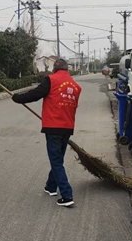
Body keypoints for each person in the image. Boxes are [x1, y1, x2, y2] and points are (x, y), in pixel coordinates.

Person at [11, 59, 82, 207]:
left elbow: (35, 94)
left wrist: (17, 98)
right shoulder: (75, 86)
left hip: (53, 127)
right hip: (68, 127)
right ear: (67, 69)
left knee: (56, 161)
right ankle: (50, 187)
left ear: (54, 69)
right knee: (58, 159)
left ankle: (67, 196)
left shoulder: (51, 79)